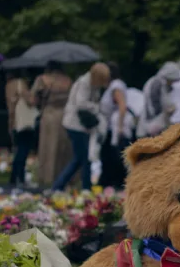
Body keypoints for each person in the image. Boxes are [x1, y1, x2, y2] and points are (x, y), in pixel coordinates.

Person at [53, 63, 110, 191]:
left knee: (80, 158)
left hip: (81, 126)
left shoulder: (93, 85)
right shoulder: (84, 83)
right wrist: (96, 107)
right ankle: (82, 188)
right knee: (84, 158)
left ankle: (61, 186)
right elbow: (81, 103)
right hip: (75, 125)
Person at [32, 61, 73, 188]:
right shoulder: (68, 81)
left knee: (47, 147)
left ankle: (46, 176)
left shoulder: (42, 79)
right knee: (62, 148)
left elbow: (33, 100)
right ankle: (62, 177)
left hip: (49, 115)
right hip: (64, 116)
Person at [97, 62, 131, 189]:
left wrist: (120, 127)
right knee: (109, 156)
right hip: (110, 124)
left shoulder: (116, 86)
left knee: (114, 156)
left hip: (116, 126)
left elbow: (122, 106)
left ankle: (114, 182)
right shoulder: (113, 86)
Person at [7, 70, 38, 187]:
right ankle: (21, 177)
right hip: (25, 122)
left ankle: (14, 177)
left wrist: (11, 122)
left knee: (18, 149)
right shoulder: (20, 84)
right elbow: (30, 101)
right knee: (23, 150)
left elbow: (11, 105)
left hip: (16, 121)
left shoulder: (8, 86)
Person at [139, 62, 180, 137]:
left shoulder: (159, 83)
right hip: (153, 124)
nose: (172, 83)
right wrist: (168, 110)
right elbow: (154, 106)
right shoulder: (157, 83)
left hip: (156, 123)